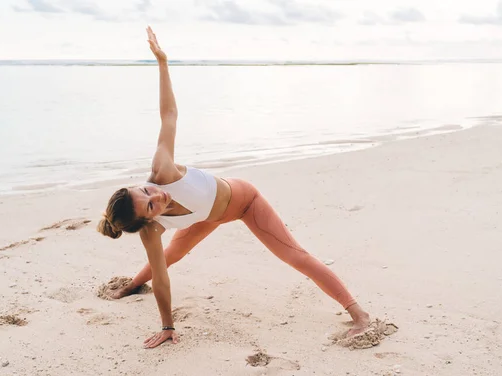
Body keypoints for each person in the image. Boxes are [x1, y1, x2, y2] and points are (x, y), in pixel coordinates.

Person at [97, 26, 371, 349]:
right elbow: (162, 276)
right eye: (151, 206)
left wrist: (162, 63)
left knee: (295, 256)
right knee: (167, 256)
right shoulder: (150, 232)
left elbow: (169, 114)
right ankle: (132, 286)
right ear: (148, 221)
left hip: (245, 203)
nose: (156, 195)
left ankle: (359, 314)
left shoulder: (163, 170)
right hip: (206, 217)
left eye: (144, 191)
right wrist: (168, 326)